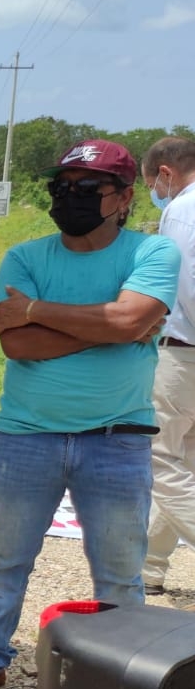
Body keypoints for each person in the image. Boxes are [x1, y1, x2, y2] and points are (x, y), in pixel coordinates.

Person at [0, 138, 179, 689]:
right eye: (62, 188)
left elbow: (127, 320)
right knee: (7, 560)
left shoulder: (154, 254)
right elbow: (18, 343)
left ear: (123, 197)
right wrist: (110, 324)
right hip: (28, 436)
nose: (69, 197)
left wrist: (39, 310)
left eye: (87, 189)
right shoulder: (25, 257)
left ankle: (122, 677)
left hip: (117, 439)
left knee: (120, 574)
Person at [139, 137, 195, 596]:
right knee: (184, 456)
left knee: (159, 462)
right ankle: (150, 567)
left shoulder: (180, 210)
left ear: (165, 173)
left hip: (183, 350)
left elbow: (182, 283)